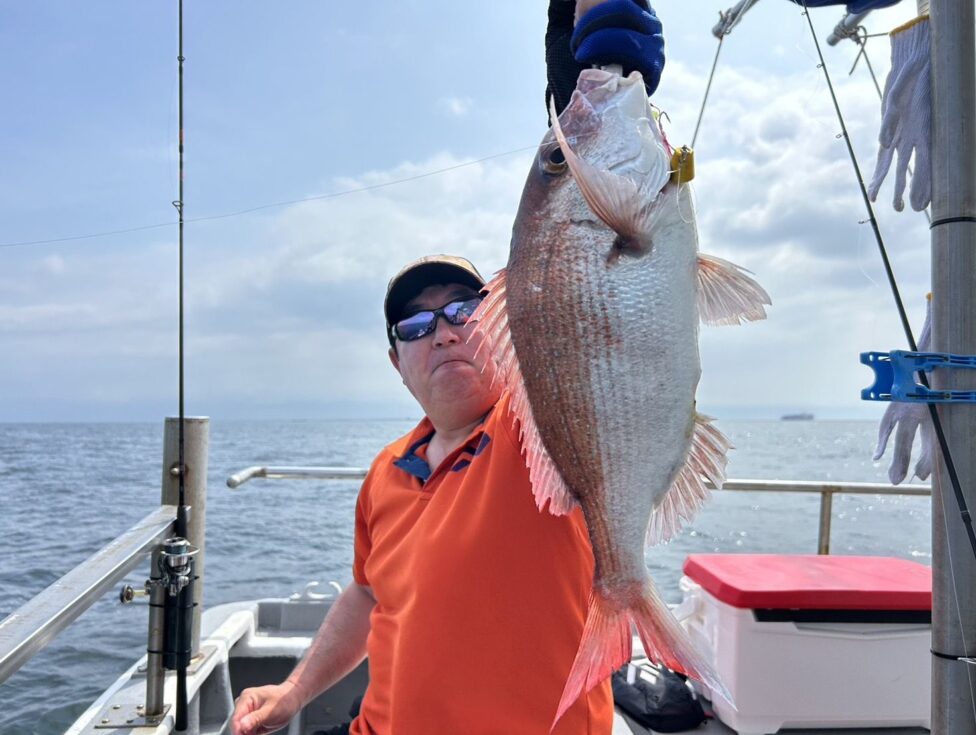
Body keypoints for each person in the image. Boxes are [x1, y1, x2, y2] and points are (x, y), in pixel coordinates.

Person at [231, 3, 665, 732]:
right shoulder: (386, 472)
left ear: (502, 325)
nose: (442, 331)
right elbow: (368, 597)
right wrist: (294, 691)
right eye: (414, 322)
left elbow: (589, 220)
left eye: (464, 309)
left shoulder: (541, 427)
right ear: (396, 361)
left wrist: (589, 54)